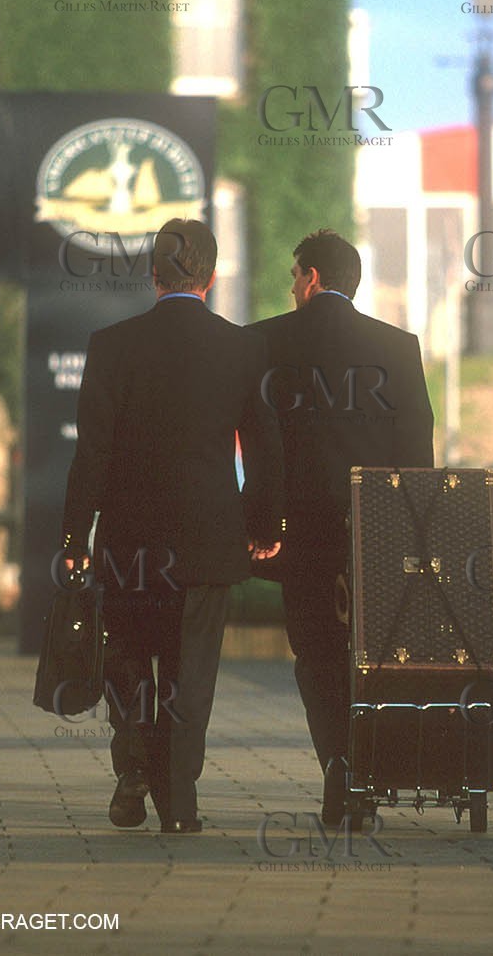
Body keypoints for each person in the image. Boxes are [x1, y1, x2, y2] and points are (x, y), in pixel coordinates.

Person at [61, 218, 283, 834]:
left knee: (128, 665)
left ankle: (132, 775)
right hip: (206, 544)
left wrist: (74, 537)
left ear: (153, 274)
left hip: (128, 543)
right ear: (209, 277)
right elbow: (264, 448)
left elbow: (92, 453)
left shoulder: (112, 344)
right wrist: (264, 524)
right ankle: (179, 805)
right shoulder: (243, 348)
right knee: (190, 679)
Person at [250, 229, 434, 825]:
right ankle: (368, 769)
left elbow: (255, 443)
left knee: (317, 654)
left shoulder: (266, 341)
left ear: (310, 278)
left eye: (294, 276)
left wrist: (260, 520)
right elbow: (417, 453)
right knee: (373, 656)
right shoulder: (399, 346)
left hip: (299, 532)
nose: (293, 286)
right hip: (378, 534)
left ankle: (339, 767)